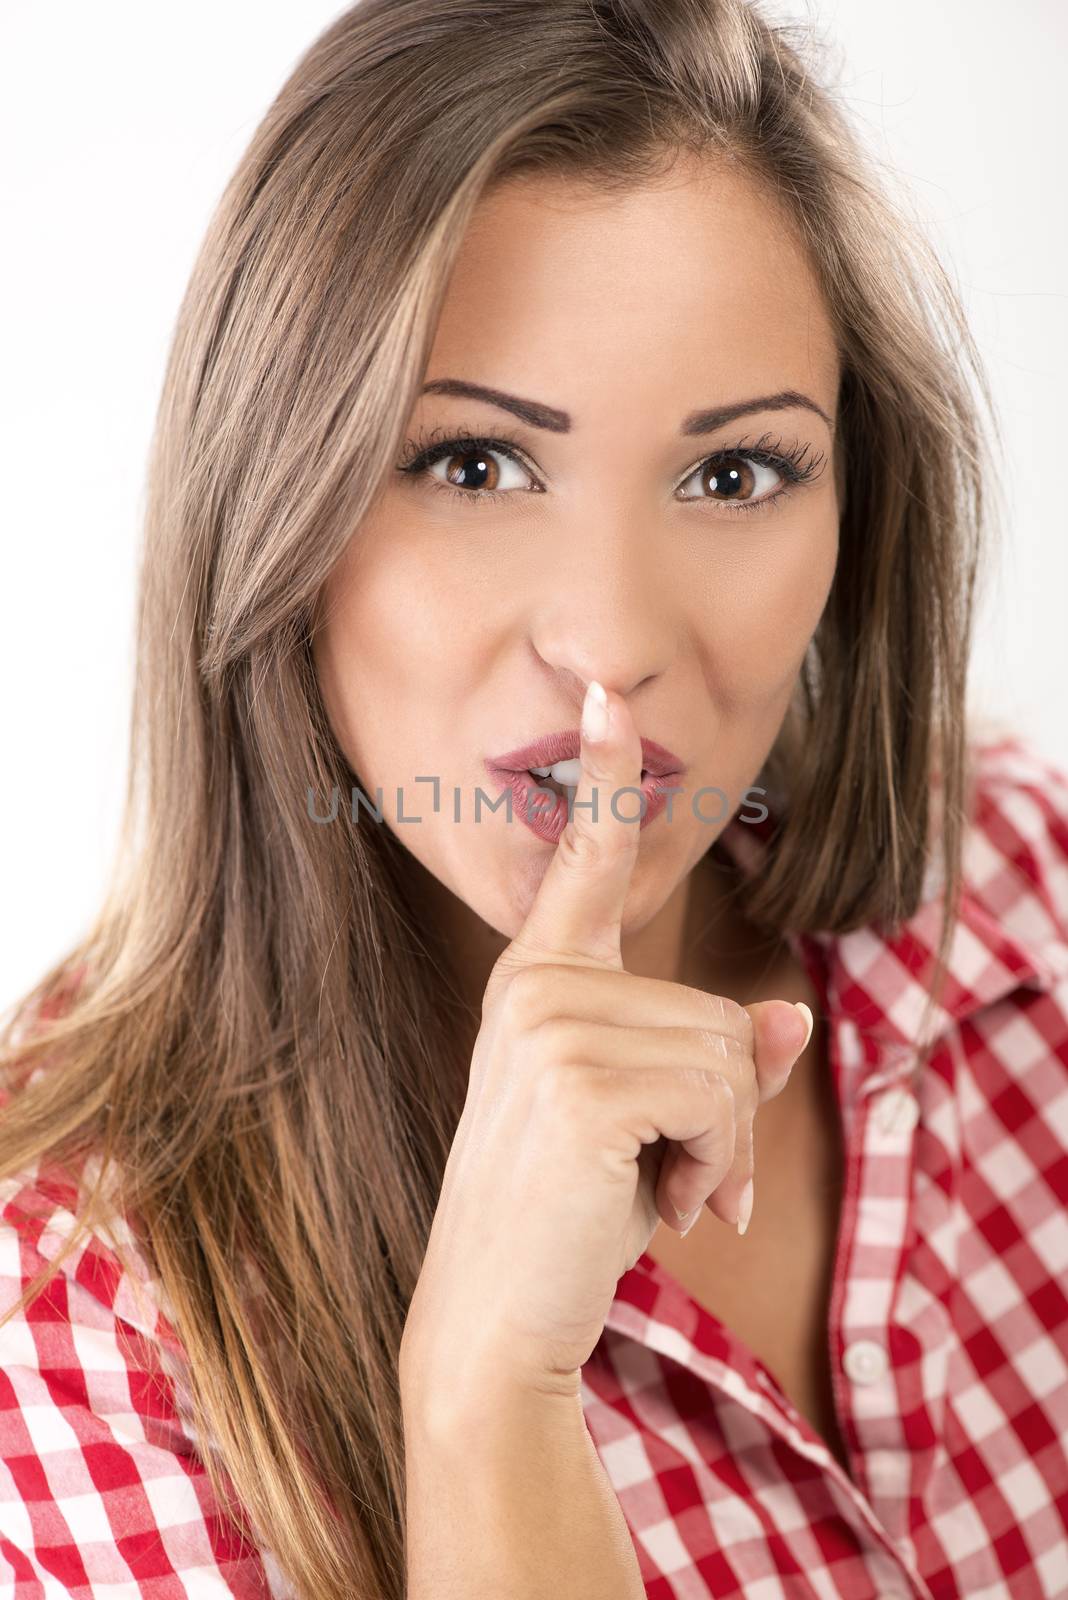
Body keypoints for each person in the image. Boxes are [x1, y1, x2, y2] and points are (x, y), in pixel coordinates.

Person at [2, 0, 1066, 1595]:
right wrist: (487, 1401)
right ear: (271, 505)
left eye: (735, 475)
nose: (615, 645)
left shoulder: (1021, 887)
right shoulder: (72, 1323)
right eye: (476, 465)